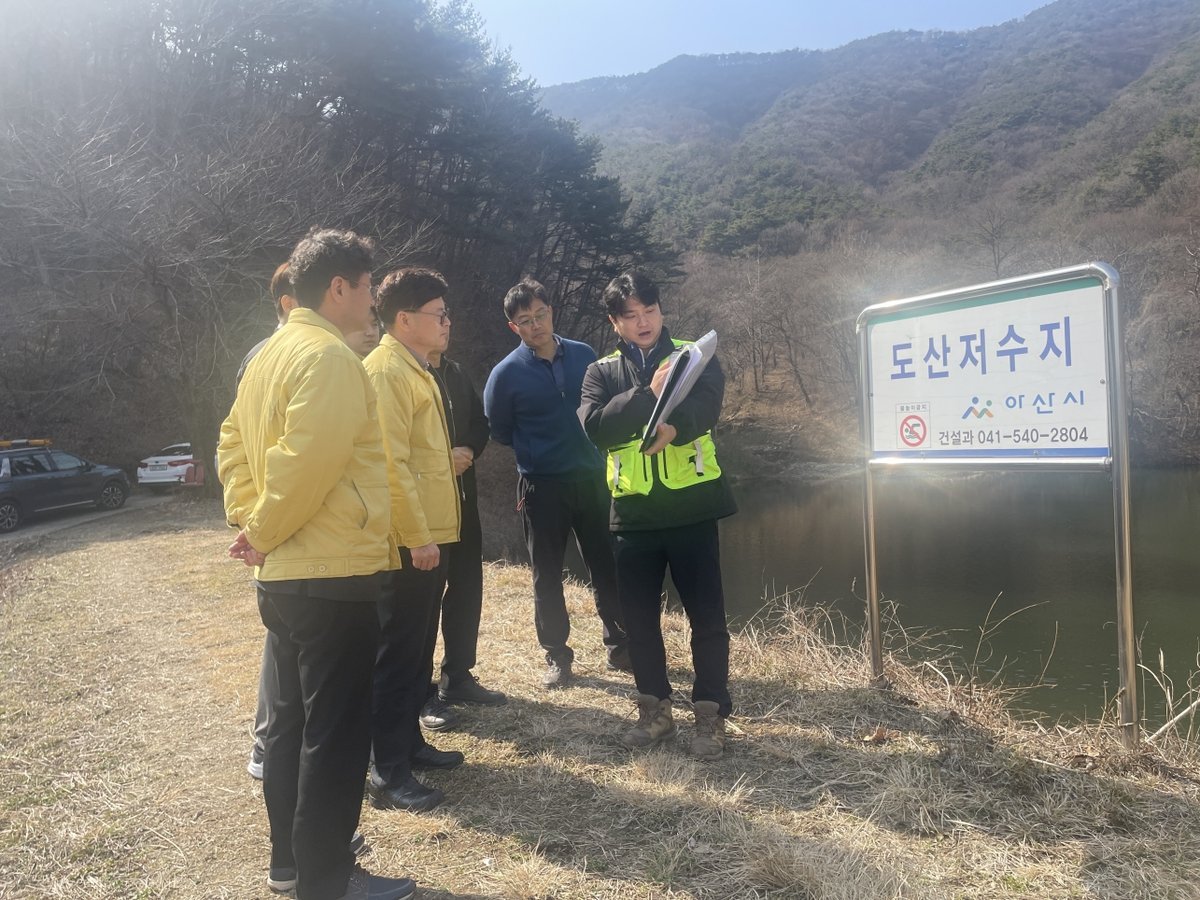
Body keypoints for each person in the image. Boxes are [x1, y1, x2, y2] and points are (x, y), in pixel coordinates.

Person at [218, 228, 415, 900]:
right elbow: (306, 465)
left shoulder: (269, 354)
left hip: (284, 577)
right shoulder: (329, 358)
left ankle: (292, 865)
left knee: (292, 727)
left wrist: (250, 524)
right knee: (335, 734)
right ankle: (327, 880)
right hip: (331, 573)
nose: (373, 300)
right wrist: (262, 530)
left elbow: (230, 446)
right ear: (338, 287)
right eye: (367, 287)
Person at [578, 270, 737, 761]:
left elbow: (708, 405)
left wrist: (677, 428)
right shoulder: (601, 372)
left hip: (692, 507)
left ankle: (710, 714)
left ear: (661, 311)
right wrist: (649, 393)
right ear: (615, 322)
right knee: (639, 621)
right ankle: (655, 711)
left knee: (706, 617)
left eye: (649, 310)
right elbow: (596, 428)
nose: (643, 321)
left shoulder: (693, 354)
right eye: (630, 315)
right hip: (634, 514)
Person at [482, 277, 629, 689]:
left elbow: (602, 407)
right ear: (513, 327)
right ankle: (557, 656)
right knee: (546, 574)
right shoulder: (505, 374)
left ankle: (620, 645)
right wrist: (538, 451)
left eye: (540, 314)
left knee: (607, 565)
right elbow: (500, 429)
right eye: (525, 320)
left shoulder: (584, 355)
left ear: (552, 312)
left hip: (592, 478)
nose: (536, 325)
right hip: (541, 486)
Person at [362, 267, 463, 813]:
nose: (447, 323)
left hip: (430, 535)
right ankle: (386, 770)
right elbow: (389, 465)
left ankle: (408, 745)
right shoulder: (385, 372)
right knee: (396, 655)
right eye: (438, 314)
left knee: (418, 648)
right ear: (404, 319)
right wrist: (417, 536)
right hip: (407, 541)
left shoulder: (415, 368)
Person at [420, 347, 506, 731]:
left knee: (467, 587)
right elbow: (398, 445)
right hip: (425, 509)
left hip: (463, 501)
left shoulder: (455, 372)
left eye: (446, 318)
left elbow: (478, 421)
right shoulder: (404, 374)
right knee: (422, 602)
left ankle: (457, 676)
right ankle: (419, 692)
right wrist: (444, 459)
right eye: (438, 318)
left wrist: (468, 448)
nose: (445, 324)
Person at [244, 262, 298, 782]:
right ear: (286, 302)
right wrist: (255, 524)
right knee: (284, 644)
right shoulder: (271, 357)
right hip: (282, 522)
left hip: (273, 520)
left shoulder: (264, 356)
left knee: (283, 641)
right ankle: (267, 746)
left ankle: (269, 745)